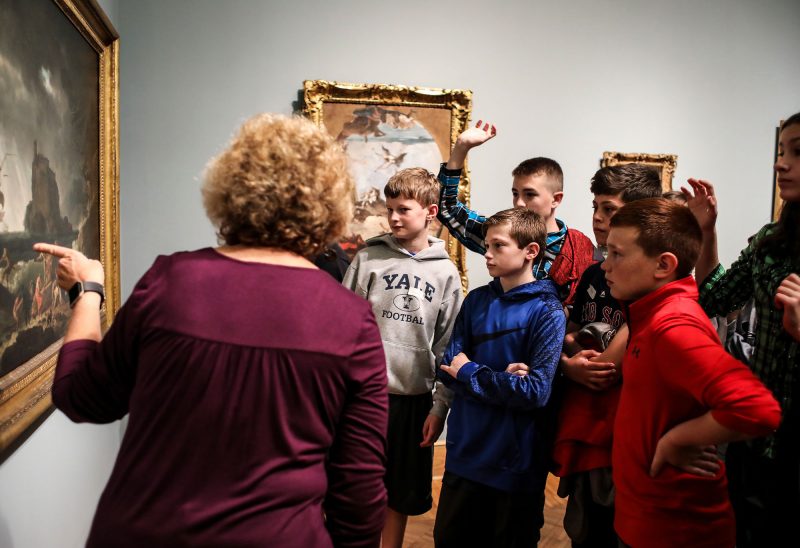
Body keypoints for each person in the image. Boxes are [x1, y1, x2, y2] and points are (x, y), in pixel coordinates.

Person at [35, 114, 388, 548]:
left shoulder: (170, 281)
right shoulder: (351, 321)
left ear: (230, 189)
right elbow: (359, 494)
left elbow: (81, 398)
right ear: (332, 206)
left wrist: (89, 290)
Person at [603, 198, 781, 548]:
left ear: (663, 265)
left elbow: (758, 408)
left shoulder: (674, 326)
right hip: (647, 518)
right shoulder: (652, 313)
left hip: (674, 528)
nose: (606, 266)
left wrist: (676, 440)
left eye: (616, 254)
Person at [683, 111, 800, 547]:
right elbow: (713, 296)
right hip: (754, 440)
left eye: (797, 152)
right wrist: (707, 232)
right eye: (781, 151)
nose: (780, 163)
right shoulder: (772, 242)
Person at [342, 167, 462, 548]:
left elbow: (448, 347)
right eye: (389, 208)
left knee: (399, 494)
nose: (393, 217)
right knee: (356, 489)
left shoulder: (446, 273)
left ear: (429, 211)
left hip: (412, 401)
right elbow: (343, 326)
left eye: (403, 209)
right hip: (364, 398)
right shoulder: (368, 260)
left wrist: (439, 408)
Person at [432, 208, 566, 547]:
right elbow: (447, 368)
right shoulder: (477, 299)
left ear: (530, 251)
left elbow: (534, 392)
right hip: (465, 456)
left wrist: (472, 372)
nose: (487, 254)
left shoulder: (548, 311)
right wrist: (497, 379)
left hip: (515, 466)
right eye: (487, 245)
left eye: (498, 246)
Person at [550, 163, 663, 547]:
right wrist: (568, 364)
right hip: (588, 418)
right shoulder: (593, 275)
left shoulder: (650, 278)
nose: (597, 218)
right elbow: (573, 329)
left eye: (609, 209)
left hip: (627, 426)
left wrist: (591, 366)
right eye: (595, 206)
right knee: (584, 522)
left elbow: (637, 326)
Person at [437, 121, 595, 305]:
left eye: (530, 194)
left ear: (556, 199)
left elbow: (586, 308)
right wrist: (461, 148)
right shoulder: (502, 236)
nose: (519, 203)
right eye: (515, 193)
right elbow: (446, 208)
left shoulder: (577, 248)